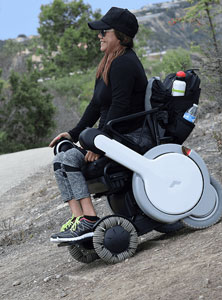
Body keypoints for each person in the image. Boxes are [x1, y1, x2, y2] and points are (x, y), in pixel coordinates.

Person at [48, 7, 152, 243]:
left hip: (127, 137)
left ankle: (90, 220)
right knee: (61, 159)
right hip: (112, 135)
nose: (100, 35)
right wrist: (73, 134)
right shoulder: (108, 62)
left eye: (105, 31)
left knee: (69, 160)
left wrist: (100, 142)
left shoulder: (124, 63)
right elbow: (96, 105)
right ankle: (79, 218)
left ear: (121, 36)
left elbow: (120, 108)